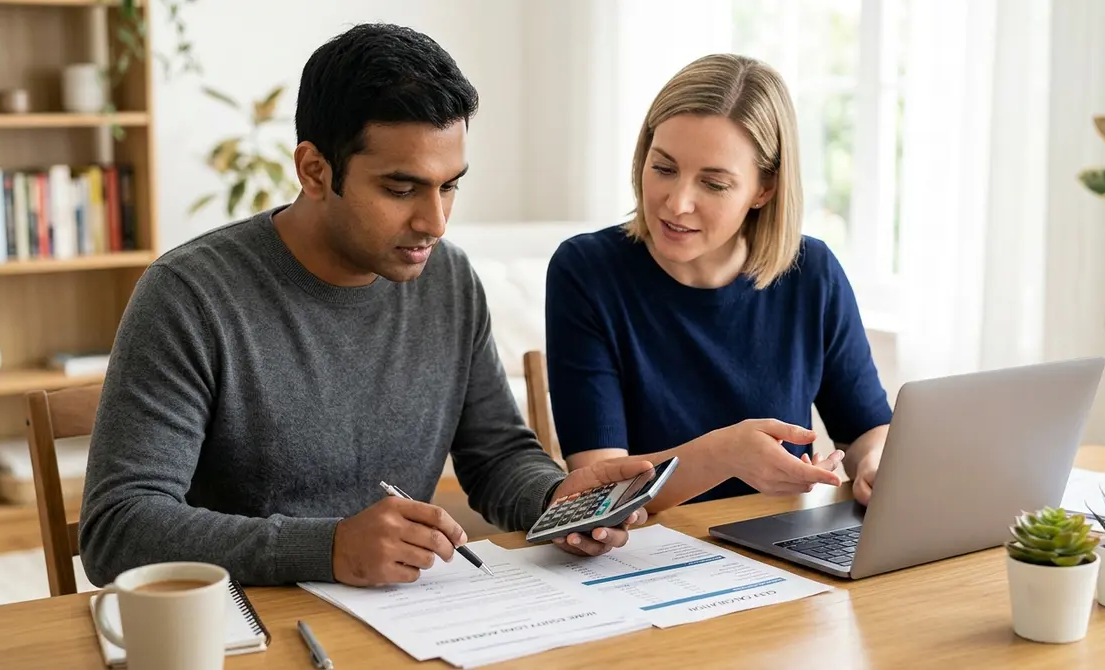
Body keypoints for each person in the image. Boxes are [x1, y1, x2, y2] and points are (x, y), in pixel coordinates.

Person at [78, 23, 650, 589]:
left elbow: (496, 454)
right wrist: (328, 549)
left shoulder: (448, 279)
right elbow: (119, 530)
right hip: (251, 624)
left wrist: (555, 499)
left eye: (450, 185)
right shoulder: (190, 295)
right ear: (314, 171)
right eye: (402, 189)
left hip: (401, 620)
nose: (435, 221)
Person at [544, 53, 892, 514]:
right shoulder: (587, 271)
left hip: (780, 550)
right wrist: (725, 455)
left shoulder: (813, 271)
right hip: (648, 561)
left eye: (713, 184)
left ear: (763, 189)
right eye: (664, 168)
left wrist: (876, 464)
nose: (677, 203)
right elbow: (598, 492)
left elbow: (869, 428)